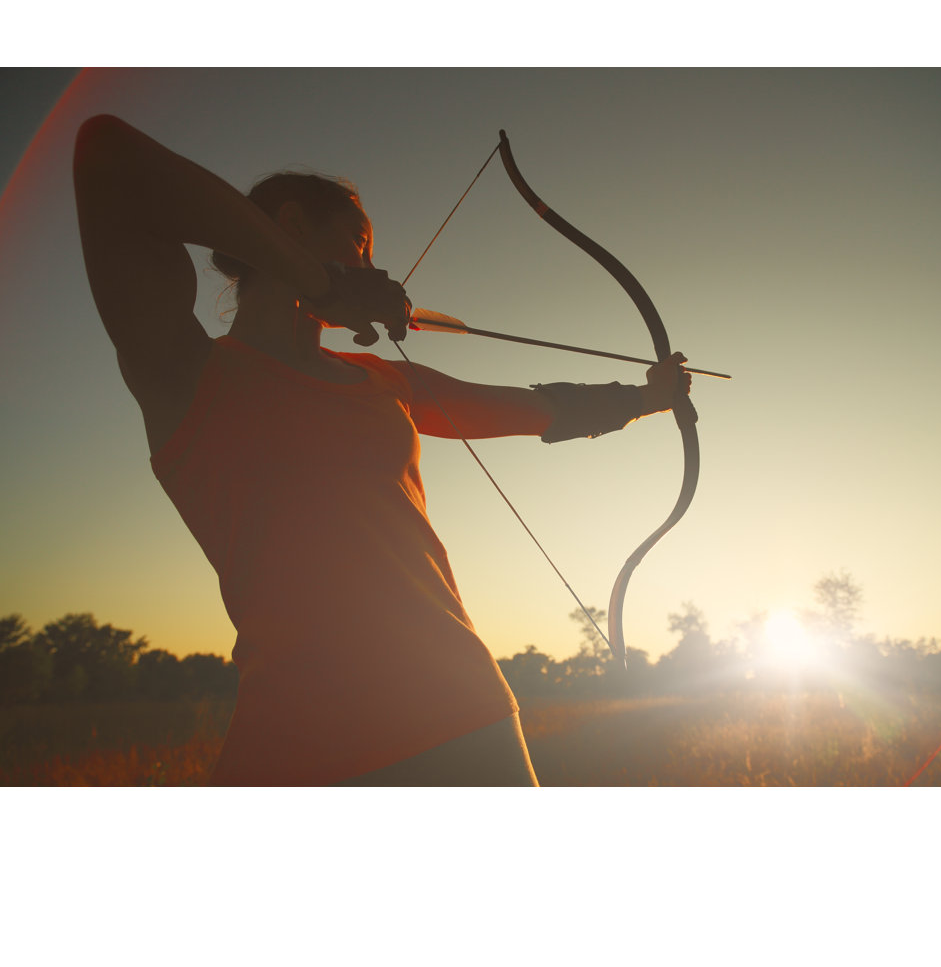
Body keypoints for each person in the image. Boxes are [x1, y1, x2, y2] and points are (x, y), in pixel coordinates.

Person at [73, 114, 691, 786]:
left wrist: (648, 396)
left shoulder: (383, 379)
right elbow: (107, 157)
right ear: (291, 223)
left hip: (461, 711)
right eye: (359, 243)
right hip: (294, 742)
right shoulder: (181, 368)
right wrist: (319, 280)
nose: (374, 266)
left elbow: (537, 408)